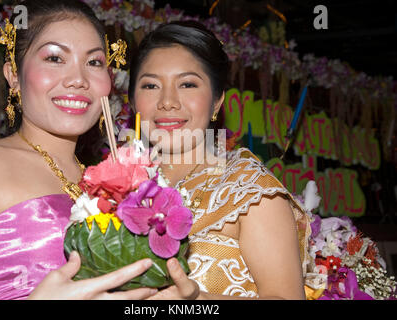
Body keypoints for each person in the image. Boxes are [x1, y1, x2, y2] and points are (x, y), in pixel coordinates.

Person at [0, 0, 157, 300]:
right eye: (55, 58)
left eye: (94, 62)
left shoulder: (115, 184)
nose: (78, 80)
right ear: (14, 75)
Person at [128, 21, 311, 299]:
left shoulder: (249, 188)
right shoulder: (116, 188)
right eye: (151, 85)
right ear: (132, 102)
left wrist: (196, 301)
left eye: (187, 84)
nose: (167, 101)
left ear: (216, 101)